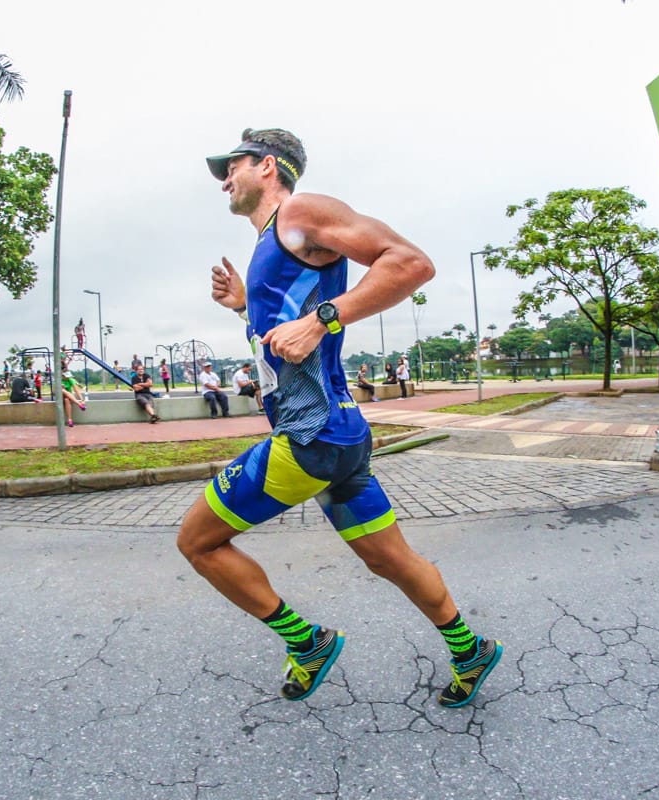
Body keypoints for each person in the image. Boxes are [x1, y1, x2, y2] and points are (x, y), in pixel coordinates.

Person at [178, 127, 500, 708]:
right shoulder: (274, 244)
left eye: (233, 165)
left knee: (198, 543)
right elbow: (285, 333)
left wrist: (323, 318)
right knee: (388, 558)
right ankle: (469, 648)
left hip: (311, 437)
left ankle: (307, 643)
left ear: (267, 166)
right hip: (342, 436)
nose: (224, 178)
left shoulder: (300, 211)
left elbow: (410, 264)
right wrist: (245, 306)